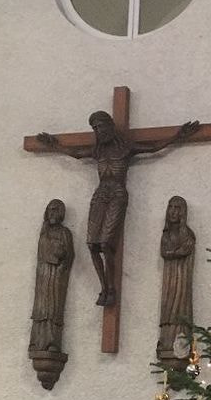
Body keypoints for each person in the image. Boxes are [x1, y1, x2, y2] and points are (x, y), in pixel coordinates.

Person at [36, 114, 199, 306]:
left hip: (117, 194)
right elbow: (76, 153)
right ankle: (104, 288)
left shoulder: (126, 148)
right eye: (95, 129)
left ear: (110, 126)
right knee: (91, 244)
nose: (98, 132)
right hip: (100, 195)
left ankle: (111, 288)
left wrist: (177, 136)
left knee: (105, 243)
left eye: (100, 127)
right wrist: (54, 145)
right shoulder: (98, 151)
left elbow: (153, 147)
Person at [29, 199, 74, 352]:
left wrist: (61, 267)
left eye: (55, 209)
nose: (52, 213)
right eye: (50, 210)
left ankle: (52, 342)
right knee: (40, 308)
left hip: (56, 275)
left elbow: (69, 255)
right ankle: (37, 342)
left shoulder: (64, 233)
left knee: (53, 309)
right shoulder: (44, 231)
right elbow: (42, 252)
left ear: (61, 212)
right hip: (43, 273)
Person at [157, 195, 195, 368]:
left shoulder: (186, 234)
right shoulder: (166, 234)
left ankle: (180, 342)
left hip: (182, 276)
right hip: (170, 277)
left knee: (179, 305)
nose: (173, 212)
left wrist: (175, 252)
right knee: (168, 307)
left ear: (183, 212)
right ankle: (166, 343)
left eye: (177, 208)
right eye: (170, 207)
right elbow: (164, 251)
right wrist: (174, 252)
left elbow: (186, 249)